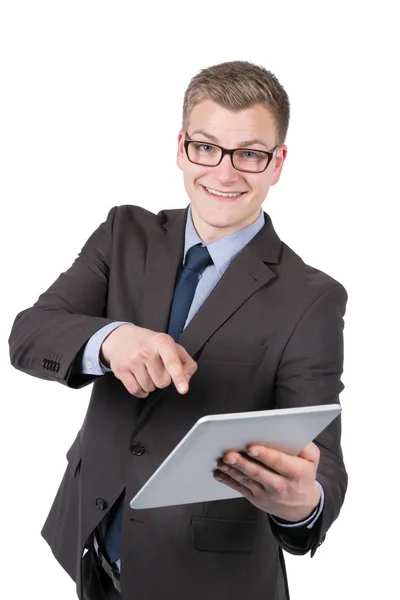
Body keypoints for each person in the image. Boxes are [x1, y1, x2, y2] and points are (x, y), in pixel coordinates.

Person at [8, 60, 348, 600]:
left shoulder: (312, 297)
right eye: (206, 147)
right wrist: (111, 339)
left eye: (250, 154)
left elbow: (320, 458)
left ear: (278, 162)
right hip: (90, 551)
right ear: (181, 147)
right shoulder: (125, 233)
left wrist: (305, 505)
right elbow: (29, 335)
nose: (224, 172)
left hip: (211, 582)